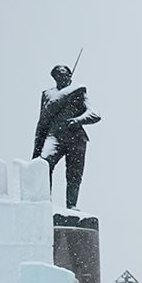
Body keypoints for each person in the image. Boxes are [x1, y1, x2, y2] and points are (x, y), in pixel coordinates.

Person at [32, 65, 102, 210]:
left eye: (65, 74)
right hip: (54, 136)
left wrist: (78, 120)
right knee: (44, 165)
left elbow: (95, 114)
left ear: (70, 75)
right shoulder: (47, 94)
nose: (63, 77)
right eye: (59, 74)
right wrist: (37, 147)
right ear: (54, 77)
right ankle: (46, 202)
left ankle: (72, 205)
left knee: (74, 174)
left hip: (76, 137)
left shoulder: (78, 92)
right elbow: (42, 121)